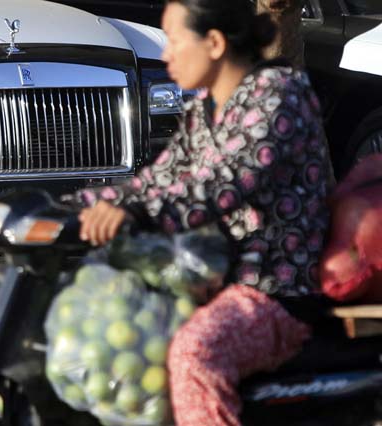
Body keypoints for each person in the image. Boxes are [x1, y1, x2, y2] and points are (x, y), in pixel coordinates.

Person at [72, 0, 334, 424]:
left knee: (196, 353)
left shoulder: (279, 94)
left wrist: (137, 214)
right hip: (212, 285)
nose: (165, 54)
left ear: (213, 43)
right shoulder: (205, 110)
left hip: (276, 295)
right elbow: (155, 180)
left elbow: (225, 183)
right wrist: (71, 207)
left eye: (175, 41)